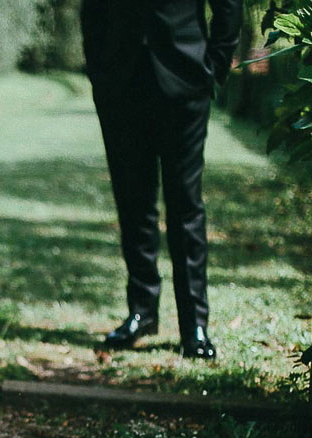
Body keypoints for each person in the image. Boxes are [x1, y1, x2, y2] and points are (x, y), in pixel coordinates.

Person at [81, 0, 242, 359]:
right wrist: (99, 71)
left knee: (185, 205)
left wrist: (215, 66)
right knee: (133, 202)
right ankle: (142, 312)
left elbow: (229, 6)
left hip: (186, 78)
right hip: (120, 83)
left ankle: (194, 326)